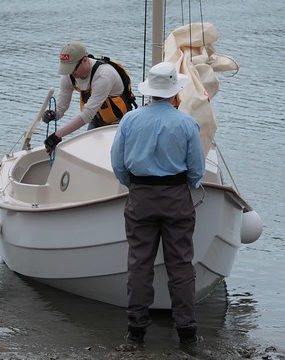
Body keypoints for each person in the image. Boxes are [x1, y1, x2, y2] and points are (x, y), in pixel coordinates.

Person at [110, 61, 205, 347]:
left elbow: (118, 165)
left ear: (149, 93)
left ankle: (136, 332)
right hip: (176, 197)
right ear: (175, 92)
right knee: (181, 266)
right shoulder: (187, 123)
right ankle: (187, 334)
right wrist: (183, 186)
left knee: (139, 264)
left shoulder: (129, 120)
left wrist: (135, 185)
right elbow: (196, 170)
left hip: (140, 196)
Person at [43, 41, 136, 155]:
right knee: (90, 154)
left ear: (85, 60)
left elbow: (86, 115)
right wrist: (53, 114)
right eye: (67, 69)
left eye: (73, 68)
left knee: (115, 156)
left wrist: (57, 135)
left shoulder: (103, 76)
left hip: (119, 122)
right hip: (96, 120)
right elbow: (61, 108)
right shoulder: (69, 75)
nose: (71, 73)